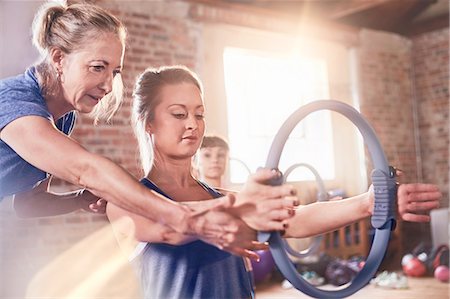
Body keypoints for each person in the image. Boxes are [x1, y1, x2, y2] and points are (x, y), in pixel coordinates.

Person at [106, 65, 442, 299]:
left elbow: (295, 220)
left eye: (199, 113)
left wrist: (367, 204)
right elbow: (174, 225)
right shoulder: (125, 202)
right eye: (179, 114)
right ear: (148, 123)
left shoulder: (225, 198)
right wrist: (244, 206)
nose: (193, 124)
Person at [0, 1, 297, 252]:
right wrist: (184, 218)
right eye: (97, 67)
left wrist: (80, 200)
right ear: (58, 58)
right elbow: (85, 169)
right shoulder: (14, 104)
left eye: (114, 72)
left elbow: (28, 204)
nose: (107, 85)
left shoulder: (62, 116)